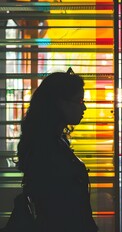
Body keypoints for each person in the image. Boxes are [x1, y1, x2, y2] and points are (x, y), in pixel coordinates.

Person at [16, 68, 98, 231]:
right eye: (79, 101)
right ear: (59, 103)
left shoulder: (53, 142)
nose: (84, 108)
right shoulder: (47, 149)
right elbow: (59, 209)